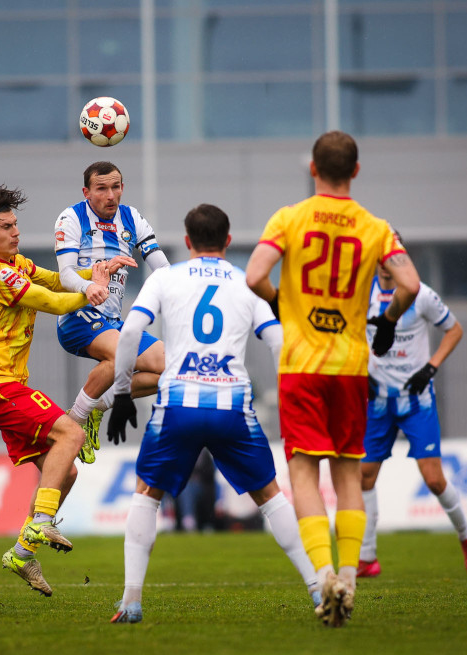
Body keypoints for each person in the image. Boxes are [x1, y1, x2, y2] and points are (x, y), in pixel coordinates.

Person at [107, 203, 321, 624]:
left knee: (146, 493)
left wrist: (121, 393)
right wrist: (290, 397)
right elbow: (278, 342)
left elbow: (131, 331)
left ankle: (131, 600)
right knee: (270, 496)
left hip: (179, 405)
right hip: (232, 408)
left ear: (187, 242)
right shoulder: (248, 284)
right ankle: (317, 589)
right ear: (227, 241)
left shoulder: (165, 277)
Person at [245, 130, 420, 627]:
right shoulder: (374, 227)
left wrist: (283, 304)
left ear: (314, 170)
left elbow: (254, 275)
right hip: (349, 367)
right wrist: (387, 322)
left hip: (302, 365)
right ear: (356, 171)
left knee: (303, 472)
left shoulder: (289, 218)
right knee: (348, 476)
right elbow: (408, 283)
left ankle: (322, 573)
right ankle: (348, 576)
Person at [0, 185, 133, 597]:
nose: (15, 232)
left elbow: (55, 281)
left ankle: (22, 553)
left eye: (16, 224)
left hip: (6, 388)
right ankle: (41, 522)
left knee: (66, 470)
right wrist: (88, 294)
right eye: (5, 227)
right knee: (71, 434)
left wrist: (92, 278)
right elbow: (51, 301)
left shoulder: (15, 262)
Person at [360, 257, 467, 577]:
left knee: (434, 479)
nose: (386, 265)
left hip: (416, 399)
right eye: (380, 259)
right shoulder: (361, 293)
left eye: (391, 258)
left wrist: (431, 367)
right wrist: (362, 372)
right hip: (377, 401)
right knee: (364, 476)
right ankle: (367, 557)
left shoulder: (422, 295)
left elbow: (454, 330)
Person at [54, 161, 170, 463]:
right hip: (77, 316)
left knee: (173, 369)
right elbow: (65, 274)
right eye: (102, 188)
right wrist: (87, 287)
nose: (110, 195)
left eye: (115, 187)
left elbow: (162, 270)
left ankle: (95, 406)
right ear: (87, 192)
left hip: (112, 322)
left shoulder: (132, 218)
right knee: (121, 355)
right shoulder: (72, 218)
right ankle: (74, 422)